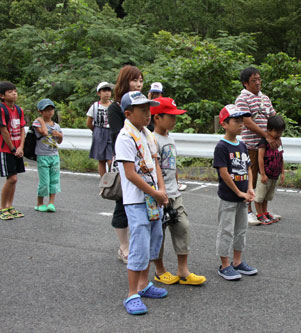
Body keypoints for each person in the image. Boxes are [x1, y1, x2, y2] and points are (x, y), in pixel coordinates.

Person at [115, 91, 168, 315]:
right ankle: (131, 294)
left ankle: (143, 285)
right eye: (142, 110)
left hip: (153, 197)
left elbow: (155, 164)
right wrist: (155, 193)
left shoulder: (147, 134)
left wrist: (162, 189)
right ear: (128, 113)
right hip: (137, 201)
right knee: (139, 244)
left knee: (152, 240)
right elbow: (130, 174)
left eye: (149, 109)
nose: (148, 113)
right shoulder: (125, 137)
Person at [150, 97, 206, 286]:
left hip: (174, 194)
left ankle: (183, 270)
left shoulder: (170, 138)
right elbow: (151, 169)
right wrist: (158, 192)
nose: (174, 120)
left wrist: (176, 183)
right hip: (157, 196)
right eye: (170, 116)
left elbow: (172, 166)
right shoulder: (151, 140)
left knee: (183, 227)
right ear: (157, 118)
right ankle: (160, 270)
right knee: (158, 233)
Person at [213, 104, 258, 280]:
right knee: (226, 230)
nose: (241, 124)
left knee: (241, 230)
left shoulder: (242, 145)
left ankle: (237, 262)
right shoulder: (222, 147)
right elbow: (223, 173)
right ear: (224, 124)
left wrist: (250, 188)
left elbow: (249, 169)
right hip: (229, 197)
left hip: (243, 197)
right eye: (236, 121)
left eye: (242, 121)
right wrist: (238, 192)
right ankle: (224, 265)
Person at [107, 65, 144, 264]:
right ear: (124, 82)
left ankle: (138, 242)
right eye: (134, 80)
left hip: (144, 160)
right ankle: (124, 246)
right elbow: (116, 134)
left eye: (140, 80)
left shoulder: (144, 103)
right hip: (125, 160)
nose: (138, 84)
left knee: (143, 202)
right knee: (123, 202)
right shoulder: (115, 107)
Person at [235, 67, 280, 225]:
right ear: (245, 83)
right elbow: (247, 122)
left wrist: (276, 135)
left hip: (266, 146)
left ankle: (263, 211)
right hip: (251, 145)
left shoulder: (265, 98)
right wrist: (266, 135)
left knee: (265, 179)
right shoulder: (242, 99)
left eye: (259, 79)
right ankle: (247, 211)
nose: (258, 83)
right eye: (254, 80)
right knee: (250, 178)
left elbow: (273, 117)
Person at [0, 81, 25, 220]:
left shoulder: (19, 110)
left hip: (17, 149)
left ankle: (10, 206)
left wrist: (21, 147)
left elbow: (22, 129)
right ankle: (2, 207)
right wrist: (13, 148)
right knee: (12, 178)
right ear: (2, 96)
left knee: (14, 179)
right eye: (10, 92)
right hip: (5, 149)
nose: (14, 93)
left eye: (15, 91)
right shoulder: (2, 109)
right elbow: (3, 130)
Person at [254, 115, 285, 225]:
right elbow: (260, 158)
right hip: (266, 174)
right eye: (277, 132)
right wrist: (262, 174)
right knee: (260, 196)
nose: (279, 135)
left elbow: (281, 156)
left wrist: (282, 172)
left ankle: (265, 212)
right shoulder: (264, 142)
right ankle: (259, 214)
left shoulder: (278, 141)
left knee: (267, 196)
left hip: (274, 174)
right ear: (269, 130)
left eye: (281, 132)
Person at [33, 99, 63, 212]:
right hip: (42, 155)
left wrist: (59, 135)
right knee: (44, 182)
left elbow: (60, 141)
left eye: (51, 109)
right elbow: (44, 133)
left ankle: (51, 202)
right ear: (40, 111)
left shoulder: (57, 126)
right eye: (46, 110)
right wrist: (41, 120)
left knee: (54, 180)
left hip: (54, 155)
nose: (49, 112)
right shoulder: (37, 123)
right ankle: (40, 203)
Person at [86, 82, 114, 177]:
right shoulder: (95, 106)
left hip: (112, 132)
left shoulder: (114, 105)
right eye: (104, 91)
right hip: (99, 131)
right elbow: (89, 123)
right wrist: (96, 131)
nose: (107, 93)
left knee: (111, 159)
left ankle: (113, 179)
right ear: (99, 93)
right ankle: (104, 182)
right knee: (101, 159)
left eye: (109, 90)